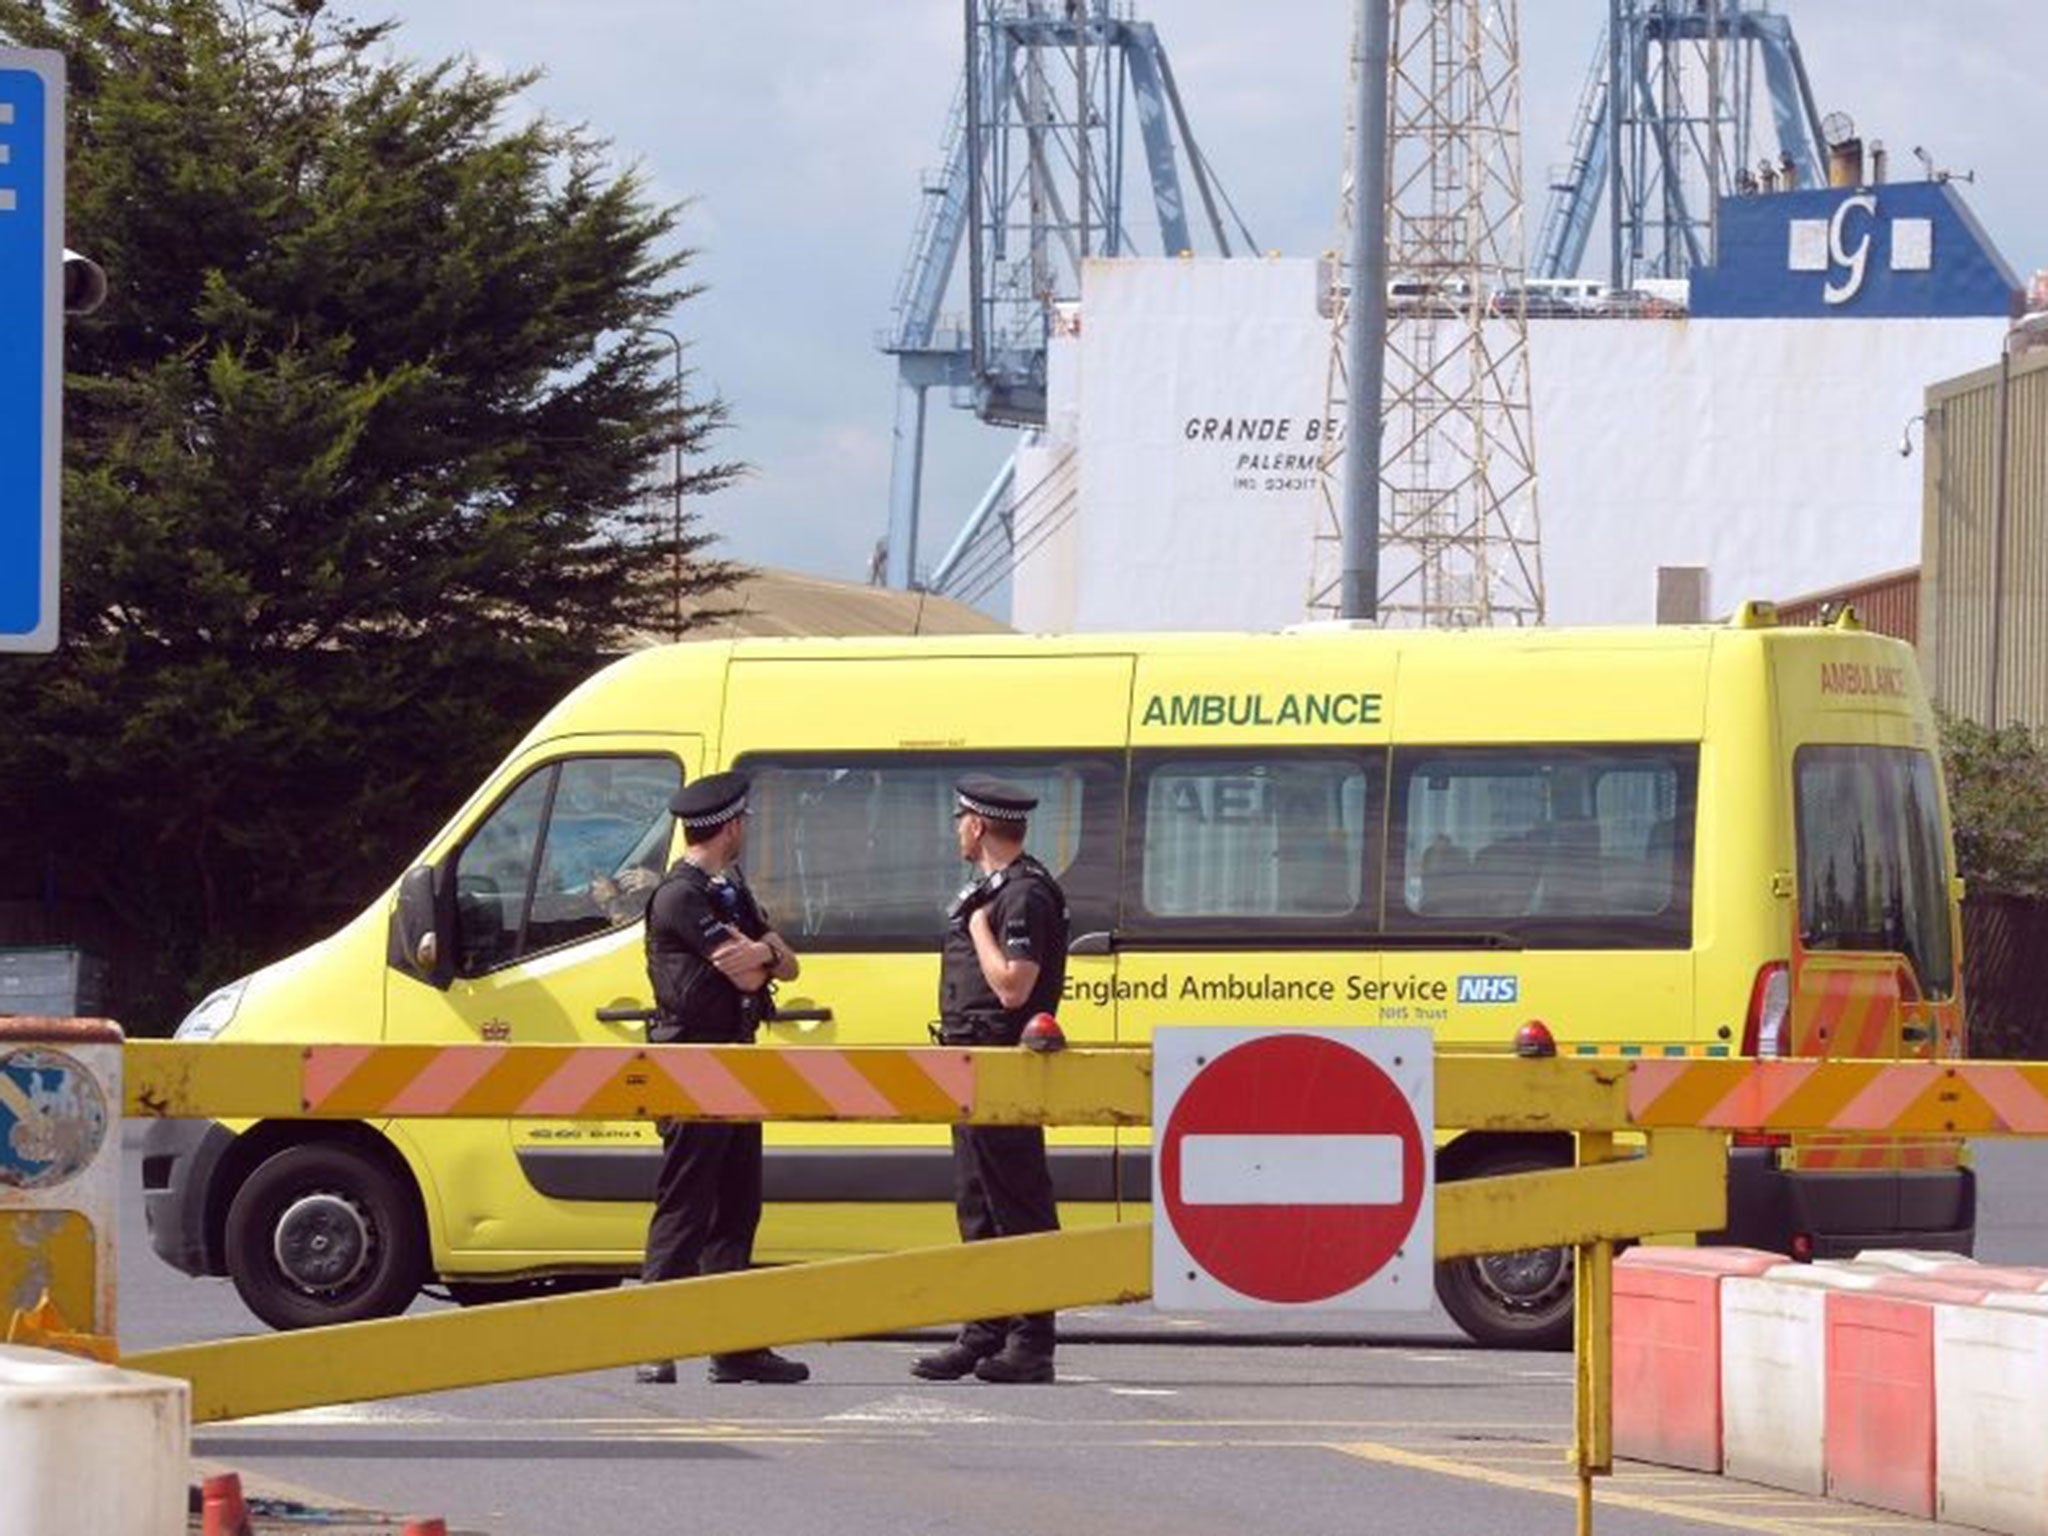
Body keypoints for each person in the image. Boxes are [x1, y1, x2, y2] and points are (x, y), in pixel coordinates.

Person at [634, 771, 810, 1386]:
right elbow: (747, 973)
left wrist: (761, 952)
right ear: (730, 826)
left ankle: (733, 1348)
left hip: (736, 1061)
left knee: (738, 1207)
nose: (746, 833)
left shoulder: (729, 891)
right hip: (692, 1065)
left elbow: (786, 962)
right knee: (686, 1207)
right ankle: (653, 1343)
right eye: (744, 824)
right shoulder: (681, 896)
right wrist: (764, 956)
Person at [911, 776, 1070, 1385]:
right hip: (971, 1062)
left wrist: (979, 927)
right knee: (978, 1204)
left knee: (1018, 1203)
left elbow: (1013, 986)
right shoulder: (994, 889)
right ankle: (984, 1332)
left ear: (977, 825)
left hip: (1002, 1063)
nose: (957, 830)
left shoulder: (1022, 895)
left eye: (961, 820)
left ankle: (1032, 1343)